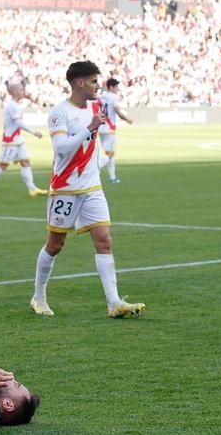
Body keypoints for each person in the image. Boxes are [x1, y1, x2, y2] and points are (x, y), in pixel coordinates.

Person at [30, 61, 145, 319]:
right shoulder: (60, 113)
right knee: (55, 244)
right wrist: (89, 128)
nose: (97, 85)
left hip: (92, 187)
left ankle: (114, 302)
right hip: (66, 188)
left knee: (104, 240)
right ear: (79, 82)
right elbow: (61, 148)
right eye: (93, 81)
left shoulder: (95, 106)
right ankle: (38, 297)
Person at [0, 78, 48, 198]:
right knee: (3, 165)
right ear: (15, 92)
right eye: (21, 89)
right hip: (10, 141)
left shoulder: (16, 105)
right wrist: (34, 132)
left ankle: (32, 189)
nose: (23, 91)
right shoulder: (13, 106)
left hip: (18, 140)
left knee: (25, 162)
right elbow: (18, 123)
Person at [97, 78, 136, 184]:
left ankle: (113, 178)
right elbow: (118, 112)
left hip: (100, 127)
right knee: (109, 155)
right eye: (116, 87)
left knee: (109, 154)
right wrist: (128, 120)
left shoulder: (101, 97)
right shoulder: (113, 97)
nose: (117, 89)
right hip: (109, 129)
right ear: (111, 87)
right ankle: (96, 167)